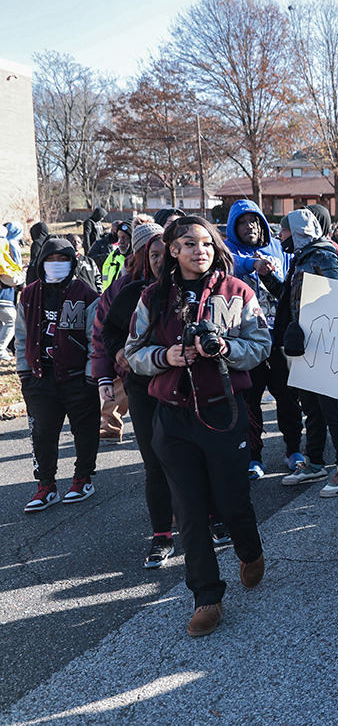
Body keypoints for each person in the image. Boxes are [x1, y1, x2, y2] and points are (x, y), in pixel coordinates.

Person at [124, 216, 271, 637]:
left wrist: (226, 349)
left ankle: (250, 549)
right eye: (188, 244)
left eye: (206, 243)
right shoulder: (153, 297)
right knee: (189, 512)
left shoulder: (237, 291)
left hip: (223, 412)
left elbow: (261, 345)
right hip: (172, 417)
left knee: (231, 501)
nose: (199, 250)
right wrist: (165, 358)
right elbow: (133, 351)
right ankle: (206, 597)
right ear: (173, 250)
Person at [99, 222, 176, 568]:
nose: (161, 260)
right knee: (154, 462)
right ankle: (161, 536)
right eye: (154, 254)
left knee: (194, 458)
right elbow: (109, 332)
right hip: (142, 390)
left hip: (182, 387)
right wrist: (117, 354)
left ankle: (211, 519)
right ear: (143, 257)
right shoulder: (131, 293)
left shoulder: (189, 291)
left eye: (166, 253)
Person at [18, 238, 102, 512]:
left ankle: (83, 478)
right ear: (41, 263)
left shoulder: (87, 295)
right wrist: (24, 372)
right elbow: (22, 336)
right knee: (42, 433)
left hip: (77, 376)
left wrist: (92, 374)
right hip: (40, 377)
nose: (56, 265)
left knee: (85, 430)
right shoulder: (28, 295)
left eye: (62, 259)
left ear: (73, 262)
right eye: (50, 260)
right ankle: (46, 485)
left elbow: (95, 338)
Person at [224, 198, 300, 479]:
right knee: (250, 400)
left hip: (279, 336)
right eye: (242, 222)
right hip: (246, 340)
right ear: (234, 227)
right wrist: (253, 264)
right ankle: (254, 457)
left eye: (254, 220)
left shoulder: (279, 248)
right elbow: (228, 264)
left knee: (287, 396)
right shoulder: (229, 251)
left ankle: (294, 450)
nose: (249, 226)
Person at [276, 209, 338, 487]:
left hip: (324, 346)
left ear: (297, 231)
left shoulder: (323, 255)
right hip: (304, 346)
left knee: (332, 410)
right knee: (312, 408)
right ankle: (315, 462)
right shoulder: (301, 258)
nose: (280, 237)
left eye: (284, 231)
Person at [0, 222, 25, 361]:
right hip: (5, 293)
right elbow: (10, 274)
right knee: (11, 319)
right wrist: (21, 280)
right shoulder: (8, 245)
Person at [100, 220, 132, 290]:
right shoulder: (113, 256)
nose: (120, 241)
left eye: (125, 238)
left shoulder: (137, 259)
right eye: (119, 237)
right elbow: (105, 280)